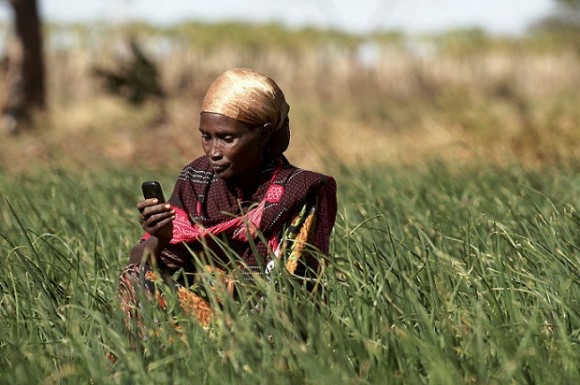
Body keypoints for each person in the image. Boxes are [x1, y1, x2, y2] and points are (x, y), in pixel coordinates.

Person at [117, 67, 337, 330]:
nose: (213, 152)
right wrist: (161, 237)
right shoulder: (195, 180)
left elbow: (290, 285)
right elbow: (138, 265)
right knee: (134, 278)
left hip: (268, 324)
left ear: (264, 134)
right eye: (205, 137)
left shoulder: (299, 190)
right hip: (200, 316)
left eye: (226, 138)